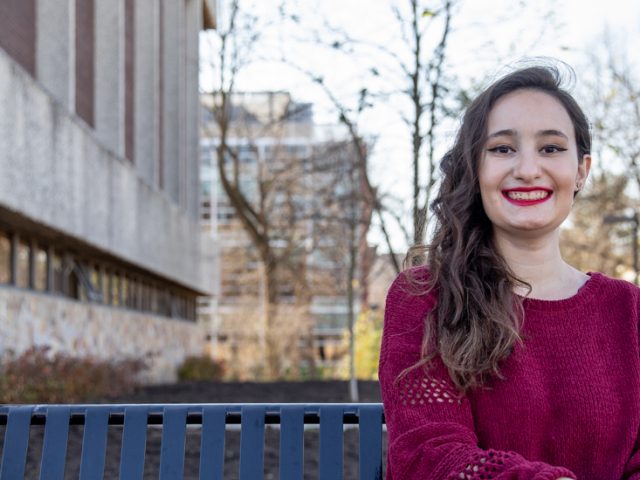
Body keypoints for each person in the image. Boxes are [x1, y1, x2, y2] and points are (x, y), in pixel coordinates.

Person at [378, 63, 640, 480]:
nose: (527, 169)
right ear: (475, 168)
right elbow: (428, 453)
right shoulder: (425, 296)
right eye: (502, 149)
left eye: (551, 148)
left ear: (581, 171)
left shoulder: (629, 309)